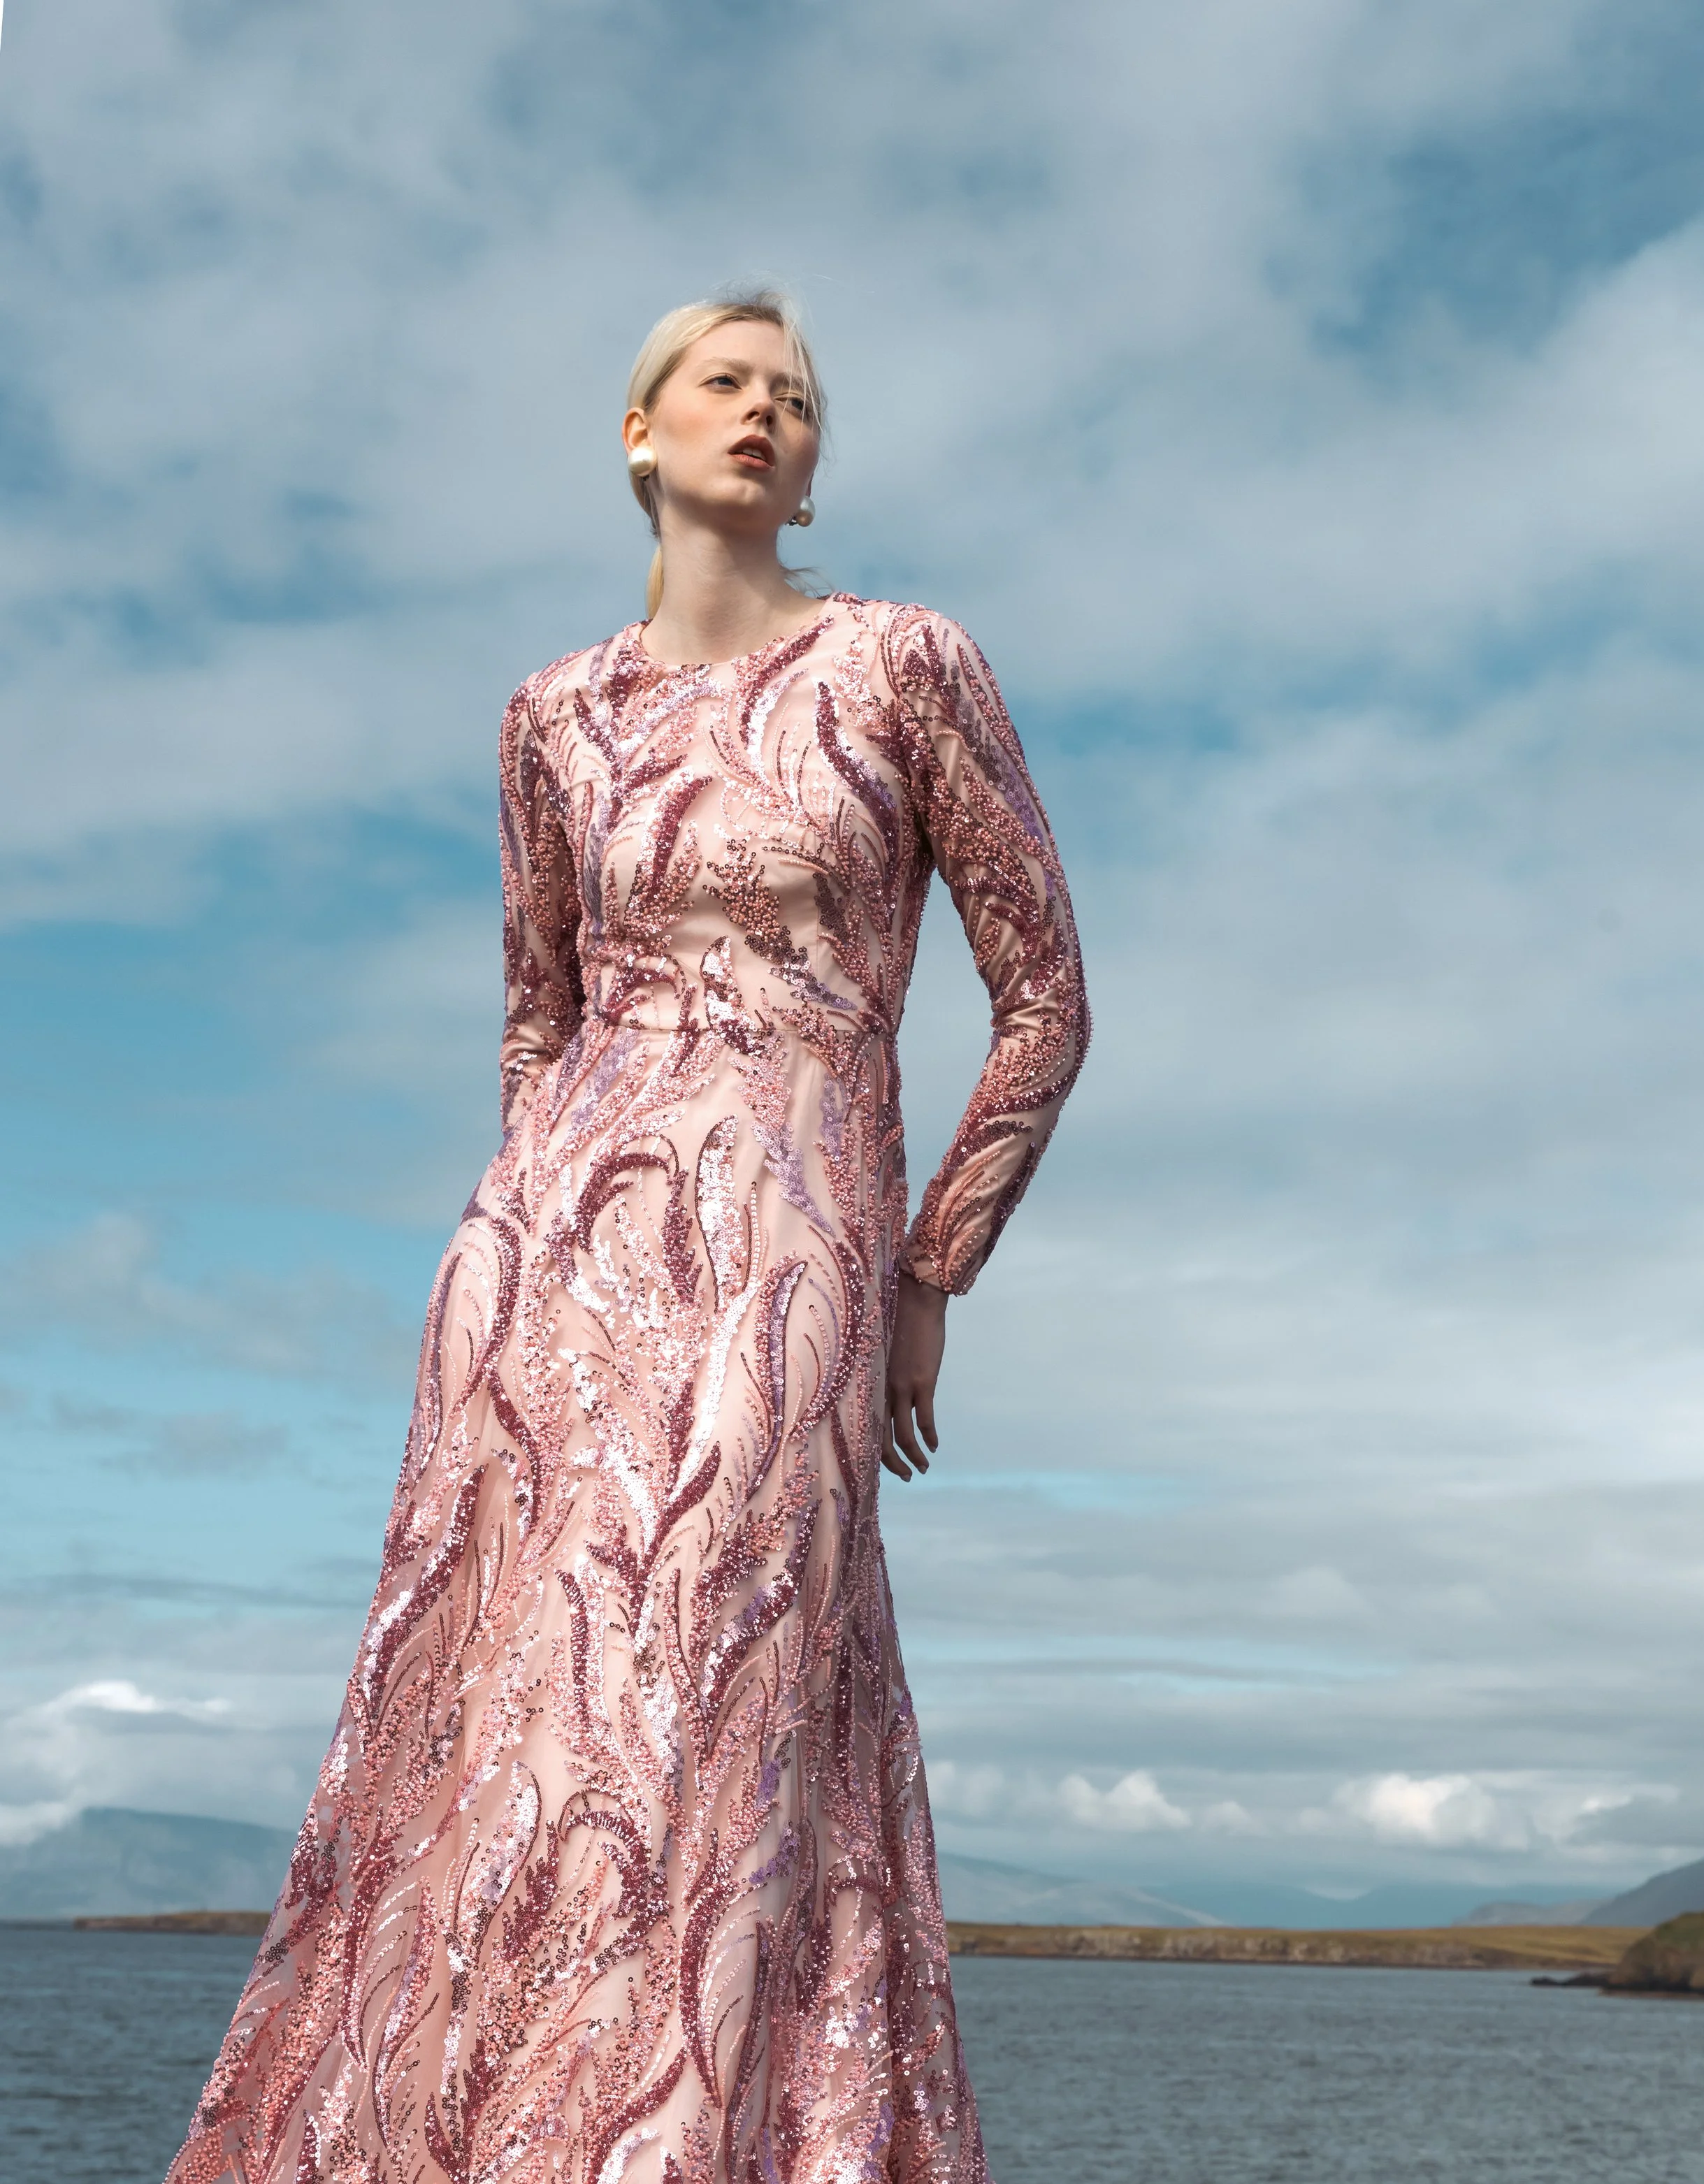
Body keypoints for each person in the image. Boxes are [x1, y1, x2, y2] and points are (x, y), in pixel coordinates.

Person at [167, 288, 1090, 2184]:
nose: (767, 413)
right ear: (639, 433)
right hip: (546, 1275)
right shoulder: (551, 714)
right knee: (511, 1710)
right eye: (726, 383)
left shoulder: (901, 663)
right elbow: (538, 1011)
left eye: (798, 397)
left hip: (793, 1252)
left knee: (730, 1677)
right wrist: (510, 1253)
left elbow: (1045, 997)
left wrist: (929, 1271)